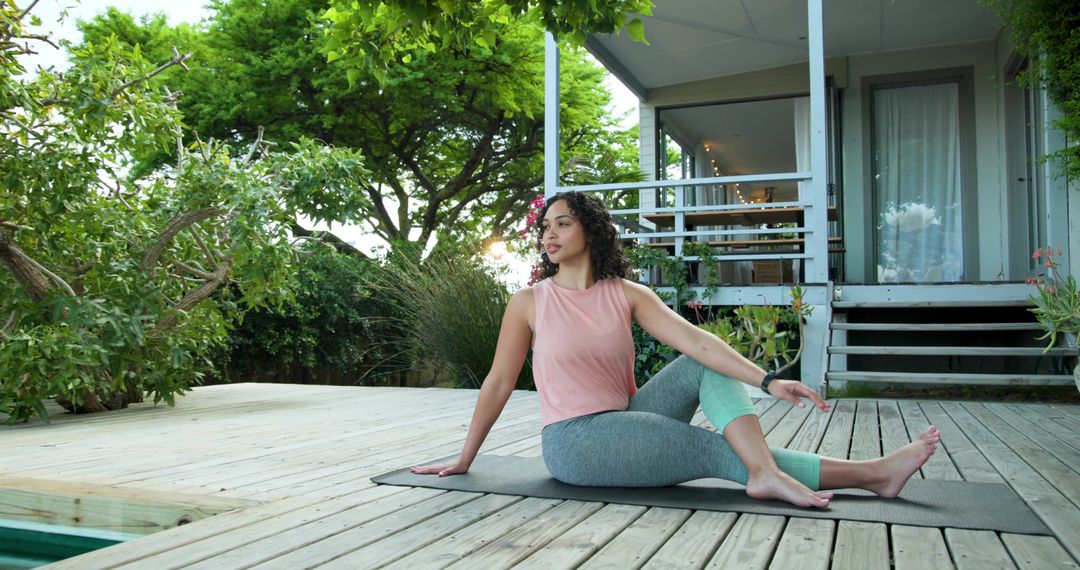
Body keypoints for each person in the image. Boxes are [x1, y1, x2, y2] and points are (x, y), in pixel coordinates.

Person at [412, 191, 940, 508]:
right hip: (576, 442)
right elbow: (499, 381)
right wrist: (465, 457)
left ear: (590, 231)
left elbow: (698, 341)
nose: (549, 234)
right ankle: (863, 474)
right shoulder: (529, 302)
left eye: (562, 223)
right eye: (545, 226)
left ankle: (839, 474)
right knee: (720, 451)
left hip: (628, 419)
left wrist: (769, 381)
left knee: (699, 365)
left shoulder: (627, 294)